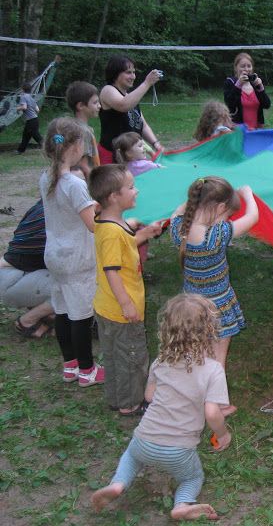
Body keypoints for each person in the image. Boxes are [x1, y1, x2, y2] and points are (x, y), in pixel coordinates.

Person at [90, 294, 232, 521]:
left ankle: (118, 484)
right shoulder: (213, 370)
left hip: (144, 438)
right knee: (191, 478)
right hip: (179, 449)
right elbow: (212, 412)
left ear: (167, 329)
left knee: (131, 457)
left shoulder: (161, 361)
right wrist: (222, 434)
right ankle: (182, 503)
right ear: (208, 330)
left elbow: (149, 395)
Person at [170, 177, 258, 415]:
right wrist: (247, 194)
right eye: (227, 214)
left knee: (195, 352)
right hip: (217, 307)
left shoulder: (178, 228)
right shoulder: (216, 235)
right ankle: (218, 404)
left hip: (190, 308)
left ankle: (191, 395)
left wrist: (197, 195)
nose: (227, 219)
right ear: (220, 208)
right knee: (218, 358)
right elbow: (252, 218)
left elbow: (181, 209)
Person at [88, 165, 162, 416]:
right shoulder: (111, 232)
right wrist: (127, 304)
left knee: (113, 355)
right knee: (132, 358)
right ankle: (130, 404)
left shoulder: (109, 222)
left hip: (107, 307)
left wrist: (143, 234)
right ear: (114, 197)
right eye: (130, 187)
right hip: (120, 310)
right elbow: (112, 271)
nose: (136, 190)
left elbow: (124, 246)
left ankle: (117, 398)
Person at [39, 118, 103, 386]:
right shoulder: (74, 185)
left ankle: (70, 364)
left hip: (55, 256)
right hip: (78, 260)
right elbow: (92, 226)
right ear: (76, 147)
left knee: (63, 311)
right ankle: (88, 370)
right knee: (81, 315)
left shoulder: (47, 177)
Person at [1, 199, 54, 339]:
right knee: (79, 285)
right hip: (13, 279)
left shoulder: (46, 203)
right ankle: (27, 321)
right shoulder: (59, 217)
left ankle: (48, 312)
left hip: (13, 274)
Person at [98, 55, 164, 164]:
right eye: (128, 72)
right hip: (112, 156)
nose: (133, 76)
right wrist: (147, 83)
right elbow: (123, 105)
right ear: (115, 74)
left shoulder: (130, 96)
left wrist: (155, 143)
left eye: (134, 72)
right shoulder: (107, 90)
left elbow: (143, 125)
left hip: (131, 156)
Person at [223, 53, 271, 131]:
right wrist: (238, 85)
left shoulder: (255, 84)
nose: (246, 69)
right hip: (238, 131)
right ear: (236, 68)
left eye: (249, 66)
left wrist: (261, 89)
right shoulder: (230, 82)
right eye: (243, 66)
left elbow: (267, 105)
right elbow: (230, 105)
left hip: (256, 130)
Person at [65, 81, 102, 171]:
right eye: (95, 103)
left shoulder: (79, 127)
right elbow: (84, 165)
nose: (99, 106)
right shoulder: (83, 131)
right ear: (81, 106)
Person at [15, 82, 41, 154]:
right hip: (34, 119)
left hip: (31, 121)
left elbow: (24, 107)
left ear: (23, 89)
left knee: (36, 136)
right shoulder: (31, 98)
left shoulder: (23, 97)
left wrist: (18, 108)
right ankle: (20, 150)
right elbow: (37, 110)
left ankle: (48, 148)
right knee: (26, 135)